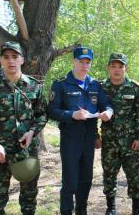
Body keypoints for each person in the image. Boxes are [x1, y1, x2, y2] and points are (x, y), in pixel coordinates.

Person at [0, 41, 47, 215]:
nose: (11, 61)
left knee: (29, 199)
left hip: (27, 151)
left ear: (22, 60)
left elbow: (42, 114)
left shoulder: (34, 86)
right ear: (1, 60)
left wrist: (32, 132)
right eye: (6, 57)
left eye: (15, 56)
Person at [48, 46, 113, 215]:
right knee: (70, 181)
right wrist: (72, 115)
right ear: (73, 62)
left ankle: (81, 210)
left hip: (89, 138)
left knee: (86, 179)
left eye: (87, 62)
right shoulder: (61, 84)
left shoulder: (94, 84)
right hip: (70, 139)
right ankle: (66, 211)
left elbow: (106, 104)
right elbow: (51, 111)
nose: (84, 65)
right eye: (81, 61)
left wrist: (108, 112)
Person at [96, 53, 139, 215]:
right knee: (109, 174)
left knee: (133, 175)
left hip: (130, 142)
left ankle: (136, 207)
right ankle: (111, 207)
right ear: (108, 68)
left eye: (120, 67)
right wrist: (96, 136)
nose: (117, 70)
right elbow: (92, 112)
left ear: (125, 68)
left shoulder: (134, 87)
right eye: (113, 66)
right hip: (109, 141)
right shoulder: (100, 87)